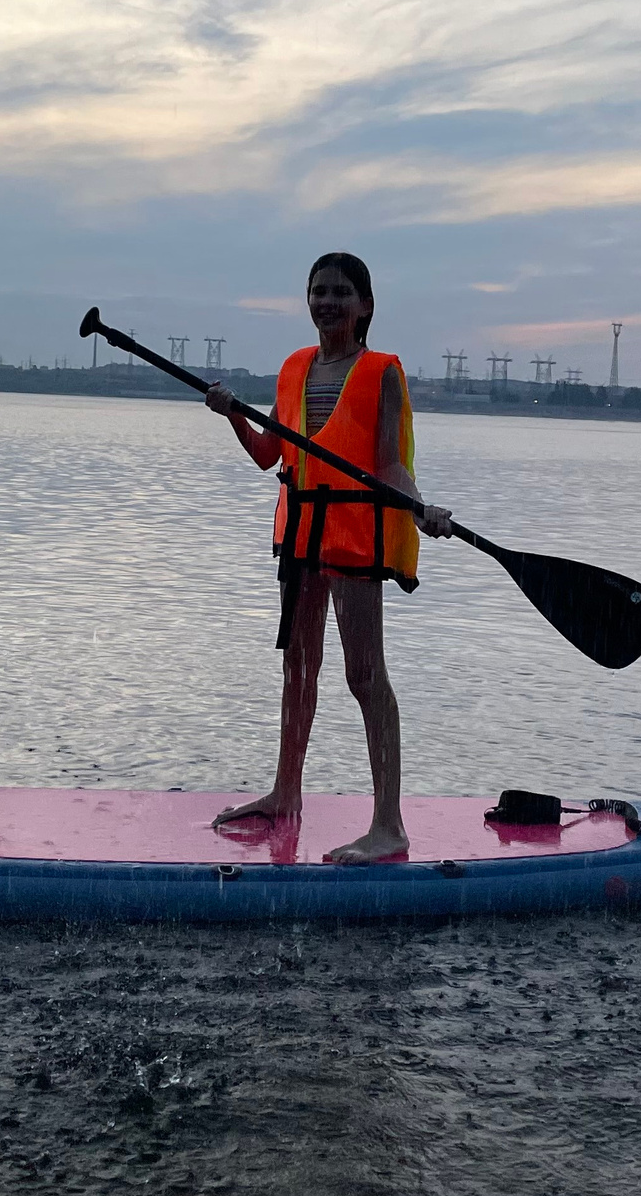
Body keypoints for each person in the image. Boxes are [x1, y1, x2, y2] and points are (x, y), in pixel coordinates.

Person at [202, 252, 454, 864]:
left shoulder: (381, 373)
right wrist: (235, 415)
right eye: (318, 291)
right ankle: (285, 795)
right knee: (298, 670)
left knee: (365, 677)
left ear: (365, 306)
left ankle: (389, 825)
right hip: (302, 537)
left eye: (341, 292)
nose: (328, 301)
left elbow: (391, 463)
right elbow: (270, 454)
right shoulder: (293, 368)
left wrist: (419, 508)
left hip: (354, 537)